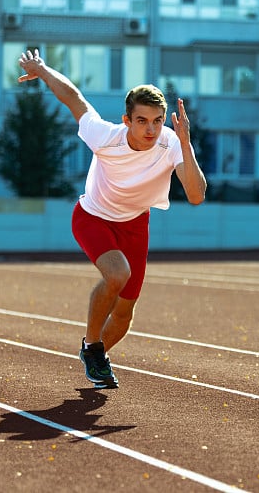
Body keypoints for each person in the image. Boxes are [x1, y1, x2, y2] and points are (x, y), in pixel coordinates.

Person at [17, 49, 207, 389]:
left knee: (124, 314)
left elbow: (195, 195)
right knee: (118, 273)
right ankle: (91, 346)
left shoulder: (172, 143)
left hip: (135, 224)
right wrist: (42, 70)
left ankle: (97, 353)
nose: (151, 129)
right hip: (93, 217)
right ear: (126, 120)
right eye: (142, 120)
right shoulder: (105, 136)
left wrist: (186, 144)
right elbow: (74, 99)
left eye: (157, 121)